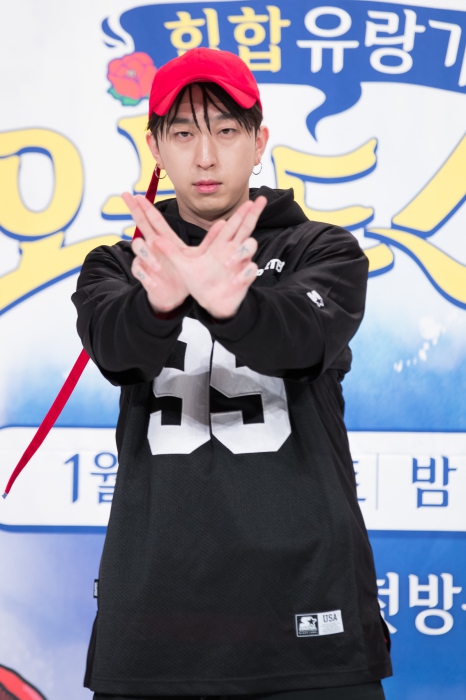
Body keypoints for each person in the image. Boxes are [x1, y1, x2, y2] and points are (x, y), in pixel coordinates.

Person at [72, 47, 392, 700]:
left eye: (225, 130)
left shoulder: (321, 248)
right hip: (153, 618)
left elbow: (304, 338)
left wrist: (234, 305)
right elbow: (115, 349)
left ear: (259, 141)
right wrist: (160, 303)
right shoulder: (121, 264)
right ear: (155, 147)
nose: (206, 156)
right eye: (183, 134)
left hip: (308, 608)